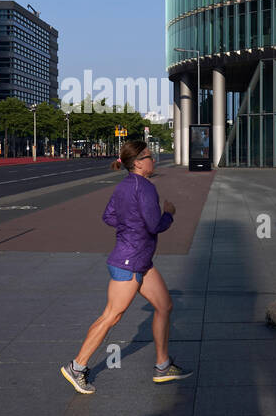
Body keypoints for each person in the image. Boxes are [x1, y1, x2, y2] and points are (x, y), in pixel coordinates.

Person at [61, 139, 191, 395]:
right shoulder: (145, 188)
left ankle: (163, 365)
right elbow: (155, 225)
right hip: (129, 261)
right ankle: (77, 367)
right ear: (139, 163)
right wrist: (169, 214)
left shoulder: (123, 186)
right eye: (150, 156)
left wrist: (129, 225)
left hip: (140, 260)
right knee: (112, 315)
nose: (154, 160)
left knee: (164, 306)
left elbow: (108, 216)